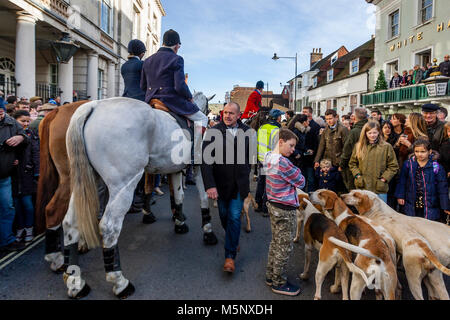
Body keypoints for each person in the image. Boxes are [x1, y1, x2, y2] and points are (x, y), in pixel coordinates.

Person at [201, 102, 254, 274]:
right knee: (224, 215)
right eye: (225, 113)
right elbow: (206, 161)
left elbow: (250, 156)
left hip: (239, 184)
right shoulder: (213, 132)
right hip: (220, 184)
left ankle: (230, 256)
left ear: (239, 115)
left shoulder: (248, 132)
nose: (227, 116)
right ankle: (232, 236)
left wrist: (247, 174)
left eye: (232, 113)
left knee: (234, 217)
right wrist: (210, 185)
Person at [264, 128, 305, 296]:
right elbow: (301, 181)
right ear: (281, 142)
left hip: (273, 204)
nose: (293, 149)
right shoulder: (283, 162)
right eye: (291, 145)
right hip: (285, 208)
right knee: (284, 247)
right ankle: (278, 281)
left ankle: (270, 274)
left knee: (275, 242)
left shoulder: (268, 157)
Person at [141, 29, 208, 130]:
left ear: (163, 43)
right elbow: (179, 86)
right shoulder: (177, 59)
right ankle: (197, 146)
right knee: (203, 119)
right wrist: (189, 97)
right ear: (177, 46)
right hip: (170, 101)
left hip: (150, 101)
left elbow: (143, 86)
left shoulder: (147, 60)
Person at [396, 139, 449, 222]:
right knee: (413, 225)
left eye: (423, 151)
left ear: (430, 151)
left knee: (428, 226)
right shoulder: (408, 164)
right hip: (412, 202)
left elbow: (442, 188)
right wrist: (400, 195)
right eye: (416, 151)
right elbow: (402, 181)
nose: (419, 154)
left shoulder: (436, 167)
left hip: (430, 204)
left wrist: (445, 206)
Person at [0, 105, 28, 252]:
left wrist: (20, 137)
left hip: (4, 177)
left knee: (7, 209)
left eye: (1, 110)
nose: (0, 113)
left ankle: (7, 240)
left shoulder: (11, 122)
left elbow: (26, 140)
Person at [349, 121, 399, 203]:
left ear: (379, 132)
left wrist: (384, 178)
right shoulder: (359, 146)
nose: (372, 135)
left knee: (381, 213)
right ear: (365, 133)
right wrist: (357, 175)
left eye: (375, 132)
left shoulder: (386, 147)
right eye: (370, 133)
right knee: (364, 213)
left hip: (379, 187)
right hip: (363, 186)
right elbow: (352, 163)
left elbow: (393, 166)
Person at [11, 110, 39, 243]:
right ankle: (20, 228)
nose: (26, 123)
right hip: (13, 175)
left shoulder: (31, 134)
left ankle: (29, 228)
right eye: (23, 121)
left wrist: (36, 172)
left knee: (27, 204)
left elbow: (36, 154)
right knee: (16, 205)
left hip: (27, 175)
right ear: (15, 120)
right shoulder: (9, 133)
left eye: (28, 121)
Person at [255, 109, 284, 216]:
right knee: (269, 184)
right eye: (280, 116)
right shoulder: (277, 129)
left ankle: (257, 203)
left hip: (262, 159)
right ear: (277, 118)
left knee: (261, 181)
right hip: (271, 160)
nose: (281, 118)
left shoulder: (262, 127)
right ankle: (265, 209)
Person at [340, 107, 369, 191]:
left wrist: (342, 164)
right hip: (366, 165)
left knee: (353, 190)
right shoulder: (369, 128)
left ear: (354, 117)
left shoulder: (355, 131)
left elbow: (347, 150)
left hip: (353, 165)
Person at [314, 109, 349, 175]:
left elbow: (346, 148)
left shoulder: (343, 129)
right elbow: (321, 146)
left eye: (330, 118)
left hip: (338, 161)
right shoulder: (325, 130)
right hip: (327, 162)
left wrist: (342, 163)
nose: (328, 121)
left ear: (336, 118)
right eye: (327, 119)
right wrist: (317, 160)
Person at [301, 106, 320, 192]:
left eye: (305, 112)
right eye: (303, 111)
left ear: (310, 113)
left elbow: (317, 142)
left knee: (311, 180)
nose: (303, 113)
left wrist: (315, 156)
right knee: (302, 179)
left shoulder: (315, 126)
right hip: (302, 156)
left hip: (311, 157)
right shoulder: (301, 124)